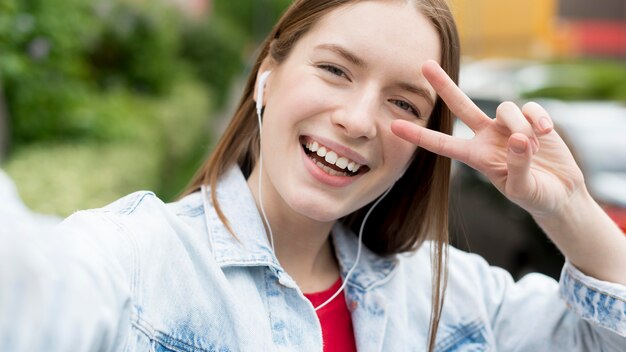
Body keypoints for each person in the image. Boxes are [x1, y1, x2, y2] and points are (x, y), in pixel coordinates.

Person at [1, 0, 625, 351]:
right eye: (335, 70)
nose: (358, 120)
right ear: (267, 74)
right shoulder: (140, 260)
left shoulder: (447, 295)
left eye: (404, 104)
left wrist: (565, 205)